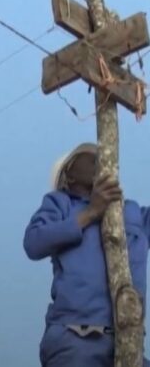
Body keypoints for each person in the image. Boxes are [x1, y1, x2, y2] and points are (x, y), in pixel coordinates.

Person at [24, 142, 149, 366]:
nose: (101, 159)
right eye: (90, 157)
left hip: (128, 341)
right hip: (75, 339)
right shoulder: (61, 204)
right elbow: (34, 243)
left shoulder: (132, 212)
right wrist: (90, 212)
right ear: (68, 176)